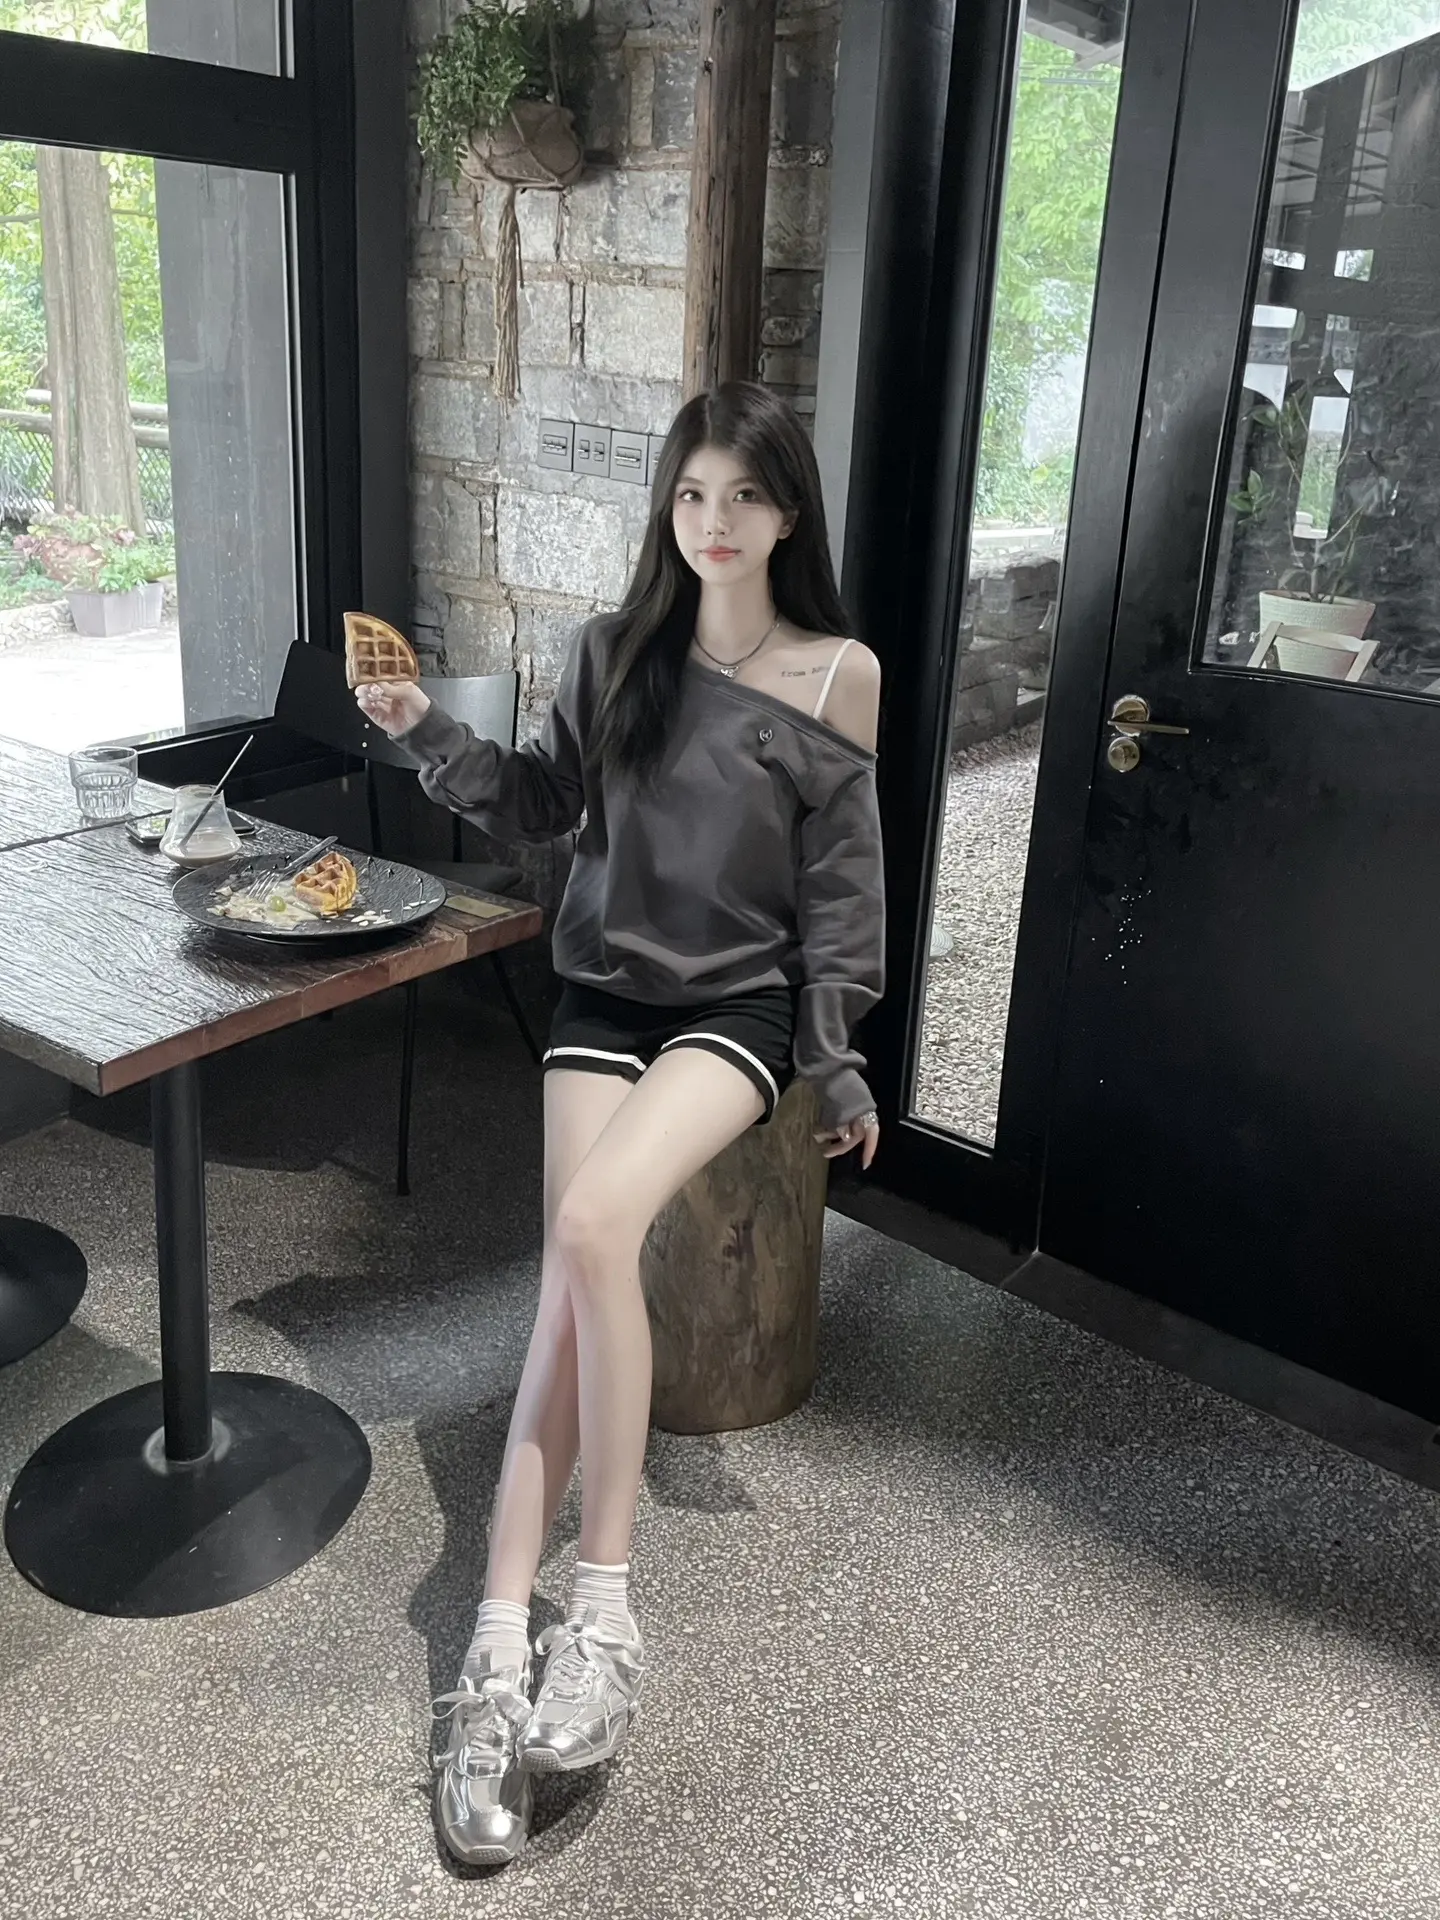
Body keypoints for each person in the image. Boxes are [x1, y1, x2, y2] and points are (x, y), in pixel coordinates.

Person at [356, 380, 885, 1868]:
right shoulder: (613, 651)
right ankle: (491, 1647)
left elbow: (843, 895)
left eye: (746, 495)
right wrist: (419, 730)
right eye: (692, 493)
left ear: (789, 512)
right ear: (670, 505)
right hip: (602, 992)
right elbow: (539, 804)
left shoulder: (838, 673)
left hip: (737, 1011)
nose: (715, 521)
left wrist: (838, 1063)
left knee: (594, 1224)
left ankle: (602, 1616)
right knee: (564, 1302)